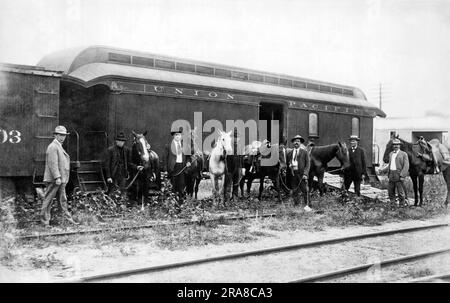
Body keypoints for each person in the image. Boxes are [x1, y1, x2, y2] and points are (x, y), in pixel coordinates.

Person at [41, 126, 78, 226]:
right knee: (48, 200)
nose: (63, 137)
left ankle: (68, 220)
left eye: (64, 135)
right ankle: (45, 222)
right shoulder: (53, 146)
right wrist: (57, 177)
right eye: (60, 135)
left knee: (62, 200)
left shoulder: (58, 146)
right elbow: (53, 163)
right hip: (55, 179)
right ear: (55, 135)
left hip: (60, 180)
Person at [163, 127, 191, 205]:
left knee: (181, 186)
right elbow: (165, 158)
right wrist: (165, 170)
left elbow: (188, 156)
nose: (178, 136)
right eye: (176, 135)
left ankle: (180, 204)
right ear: (173, 136)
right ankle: (173, 204)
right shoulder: (168, 146)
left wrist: (188, 162)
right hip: (173, 168)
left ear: (181, 136)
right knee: (173, 187)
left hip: (182, 167)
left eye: (179, 135)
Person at [379, 138, 410, 206]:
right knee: (390, 191)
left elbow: (406, 166)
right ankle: (393, 204)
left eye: (397, 145)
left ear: (400, 146)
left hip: (398, 175)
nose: (396, 146)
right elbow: (390, 165)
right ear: (393, 146)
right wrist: (383, 170)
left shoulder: (404, 154)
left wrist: (402, 176)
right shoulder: (391, 154)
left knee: (400, 192)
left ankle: (402, 205)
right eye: (394, 145)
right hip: (391, 175)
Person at [286, 135, 311, 211]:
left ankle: (307, 205)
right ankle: (296, 205)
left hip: (302, 174)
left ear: (300, 143)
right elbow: (288, 163)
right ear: (293, 143)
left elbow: (308, 164)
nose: (296, 142)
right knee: (295, 190)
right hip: (293, 174)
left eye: (298, 141)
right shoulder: (289, 153)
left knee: (305, 190)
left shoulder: (304, 152)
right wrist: (289, 165)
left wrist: (305, 174)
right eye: (295, 141)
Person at [223, 129, 244, 202]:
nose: (236, 139)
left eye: (237, 137)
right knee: (228, 184)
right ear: (231, 138)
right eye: (234, 137)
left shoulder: (240, 147)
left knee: (236, 184)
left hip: (238, 167)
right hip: (229, 168)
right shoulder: (228, 146)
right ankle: (227, 200)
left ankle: (235, 198)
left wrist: (242, 168)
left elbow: (241, 158)